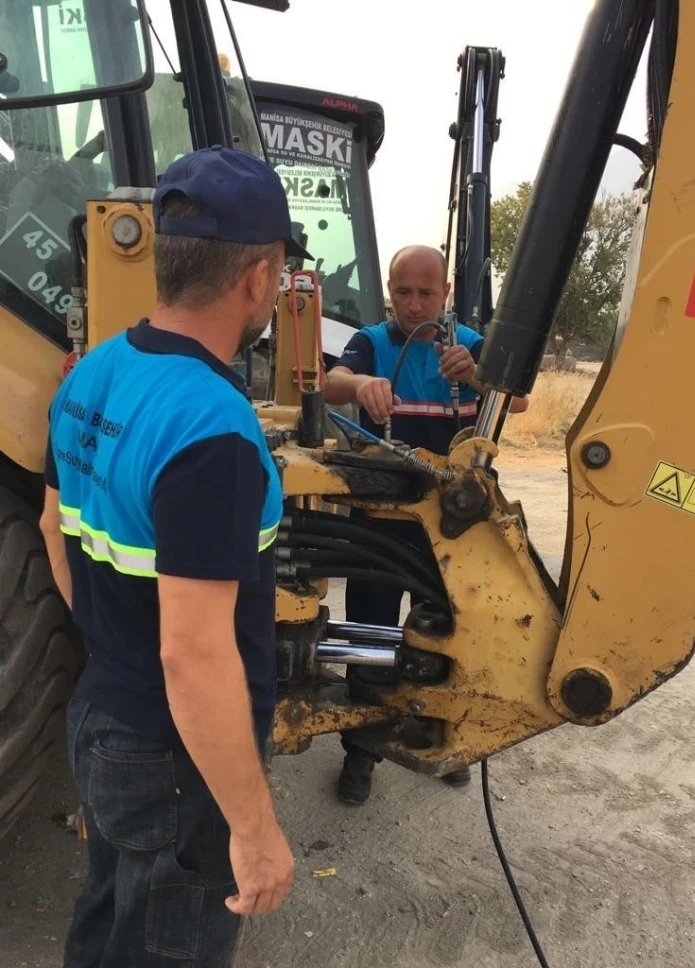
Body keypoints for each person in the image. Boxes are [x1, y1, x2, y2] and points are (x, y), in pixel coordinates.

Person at [39, 146, 310, 968]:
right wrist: (257, 833)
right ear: (258, 279)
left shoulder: (92, 376)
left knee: (108, 920)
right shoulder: (214, 432)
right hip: (172, 755)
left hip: (103, 713)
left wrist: (112, 651)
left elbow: (55, 527)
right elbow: (192, 654)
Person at [324, 244, 528, 805]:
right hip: (380, 522)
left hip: (453, 527)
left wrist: (484, 378)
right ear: (390, 291)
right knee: (372, 636)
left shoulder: (470, 346)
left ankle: (442, 739)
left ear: (446, 294)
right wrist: (360, 385)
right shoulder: (371, 342)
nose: (415, 305)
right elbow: (330, 381)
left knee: (445, 637)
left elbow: (524, 399)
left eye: (426, 293)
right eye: (404, 293)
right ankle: (361, 754)